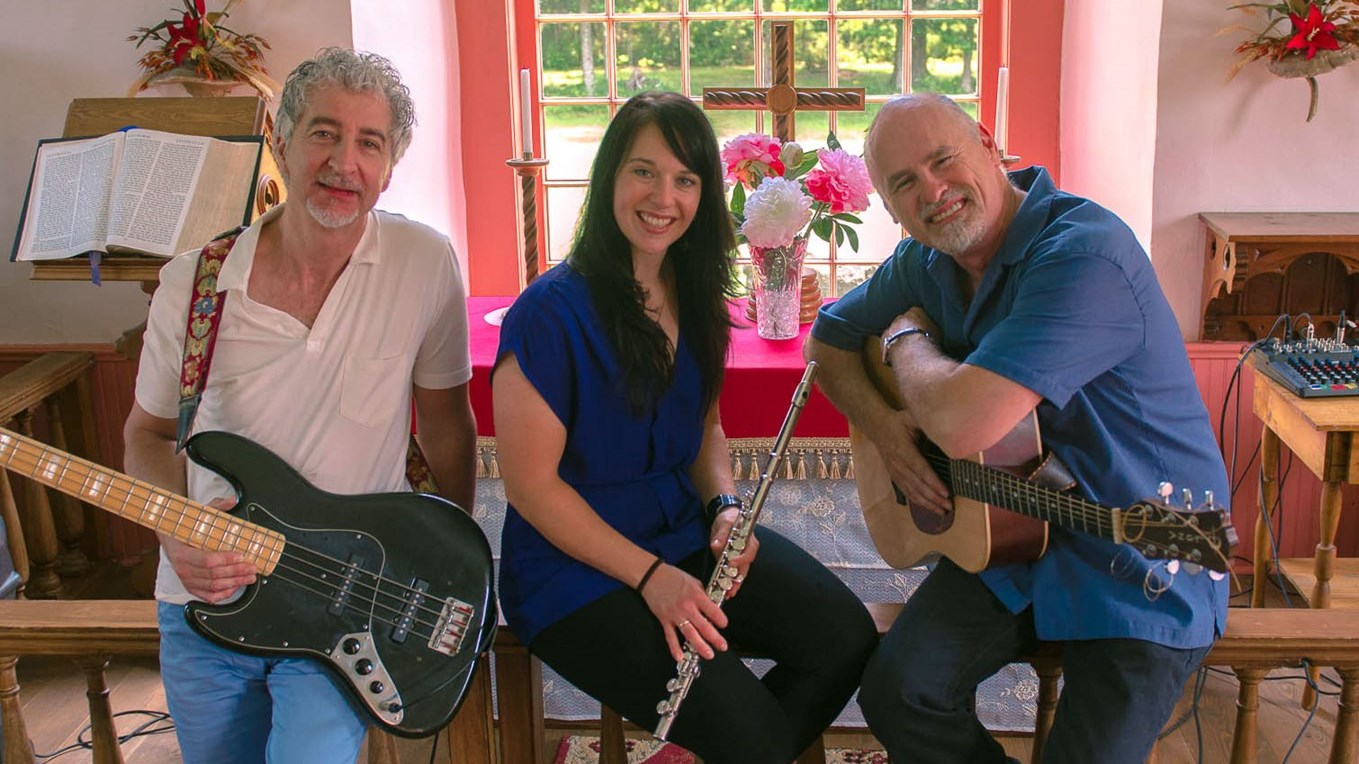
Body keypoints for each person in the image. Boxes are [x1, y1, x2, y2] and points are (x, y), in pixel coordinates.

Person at [805, 93, 1230, 764]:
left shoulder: (1084, 253)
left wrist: (905, 337)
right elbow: (827, 340)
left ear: (985, 140)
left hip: (1149, 552)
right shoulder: (926, 259)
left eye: (942, 160)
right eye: (904, 184)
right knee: (898, 694)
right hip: (1016, 535)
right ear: (888, 208)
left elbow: (962, 420)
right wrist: (886, 431)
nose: (933, 192)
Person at [492, 91, 876, 762]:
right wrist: (650, 578)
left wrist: (724, 507)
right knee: (749, 735)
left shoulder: (696, 292)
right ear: (610, 175)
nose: (661, 196)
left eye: (685, 178)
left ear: (703, 192)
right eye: (643, 171)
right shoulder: (547, 313)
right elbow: (530, 488)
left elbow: (705, 431)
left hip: (684, 535)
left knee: (845, 639)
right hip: (574, 574)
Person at [124, 48, 477, 764]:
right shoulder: (195, 285)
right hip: (209, 601)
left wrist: (449, 561)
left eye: (368, 142)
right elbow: (147, 435)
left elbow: (445, 422)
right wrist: (177, 538)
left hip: (343, 602)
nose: (343, 162)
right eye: (323, 133)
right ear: (281, 142)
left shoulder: (423, 263)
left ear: (389, 165)